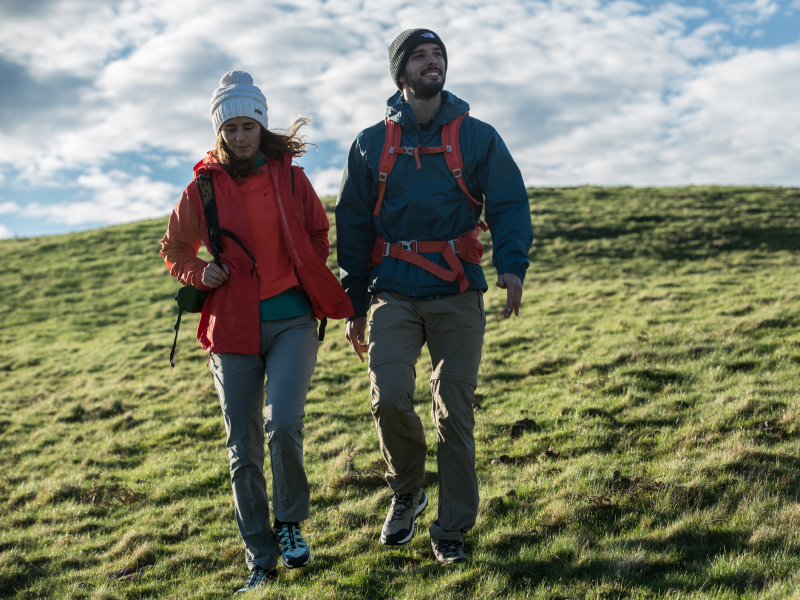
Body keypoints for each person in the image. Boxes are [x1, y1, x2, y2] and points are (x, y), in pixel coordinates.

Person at [335, 29, 533, 565]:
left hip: (457, 292)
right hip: (392, 293)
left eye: (438, 55)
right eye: (420, 57)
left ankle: (452, 530)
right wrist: (353, 303)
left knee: (455, 410)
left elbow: (510, 202)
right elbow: (351, 224)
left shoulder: (478, 136)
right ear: (401, 73)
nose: (432, 63)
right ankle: (408, 490)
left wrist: (512, 264)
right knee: (390, 395)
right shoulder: (370, 143)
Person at [160, 71, 353, 593]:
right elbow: (173, 250)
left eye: (248, 126)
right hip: (231, 329)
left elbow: (317, 229)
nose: (240, 136)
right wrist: (202, 273)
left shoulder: (290, 178)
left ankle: (289, 523)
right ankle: (260, 558)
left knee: (283, 426)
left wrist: (305, 261)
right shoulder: (201, 187)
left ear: (261, 127)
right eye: (231, 128)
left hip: (292, 320)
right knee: (242, 448)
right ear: (219, 132)